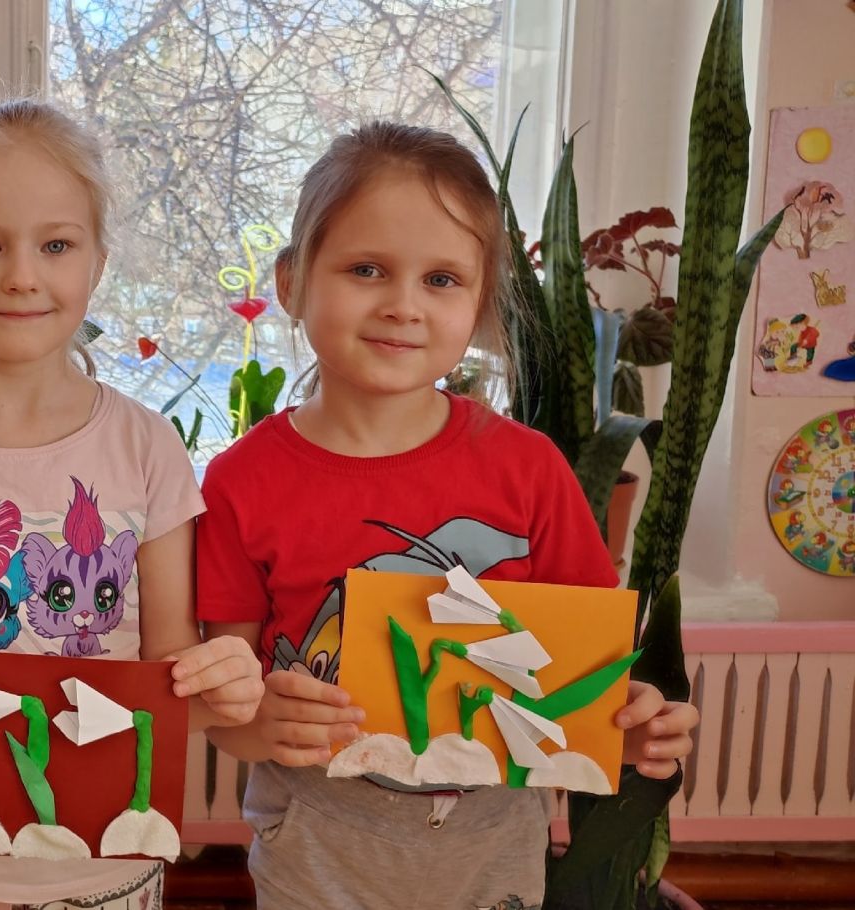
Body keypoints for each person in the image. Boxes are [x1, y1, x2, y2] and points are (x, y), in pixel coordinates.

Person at [195, 122, 700, 908]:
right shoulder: (238, 483)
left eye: (441, 279)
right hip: (318, 847)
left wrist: (631, 723)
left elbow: (589, 680)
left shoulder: (530, 471)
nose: (403, 306)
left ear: (480, 301)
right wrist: (256, 722)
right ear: (291, 283)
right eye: (367, 269)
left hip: (494, 846)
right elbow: (224, 703)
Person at [0, 99, 263, 910]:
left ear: (96, 264)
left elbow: (174, 675)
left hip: (106, 872)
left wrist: (223, 685)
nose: (22, 275)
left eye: (56, 245)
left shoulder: (147, 448)